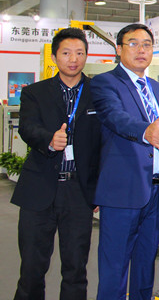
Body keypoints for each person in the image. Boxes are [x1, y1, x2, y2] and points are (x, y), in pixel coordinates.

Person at [11, 27, 101, 300]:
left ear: (86, 56)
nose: (73, 59)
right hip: (39, 188)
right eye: (66, 53)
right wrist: (49, 140)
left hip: (79, 193)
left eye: (79, 53)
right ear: (54, 57)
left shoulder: (98, 93)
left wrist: (99, 189)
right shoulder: (34, 92)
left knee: (76, 269)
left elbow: (104, 143)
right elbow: (27, 127)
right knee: (31, 268)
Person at [91, 23, 159, 300]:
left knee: (145, 263)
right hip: (123, 190)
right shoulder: (105, 82)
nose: (141, 50)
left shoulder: (156, 88)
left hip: (156, 189)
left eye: (147, 45)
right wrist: (144, 131)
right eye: (133, 43)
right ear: (119, 49)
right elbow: (115, 117)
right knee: (115, 266)